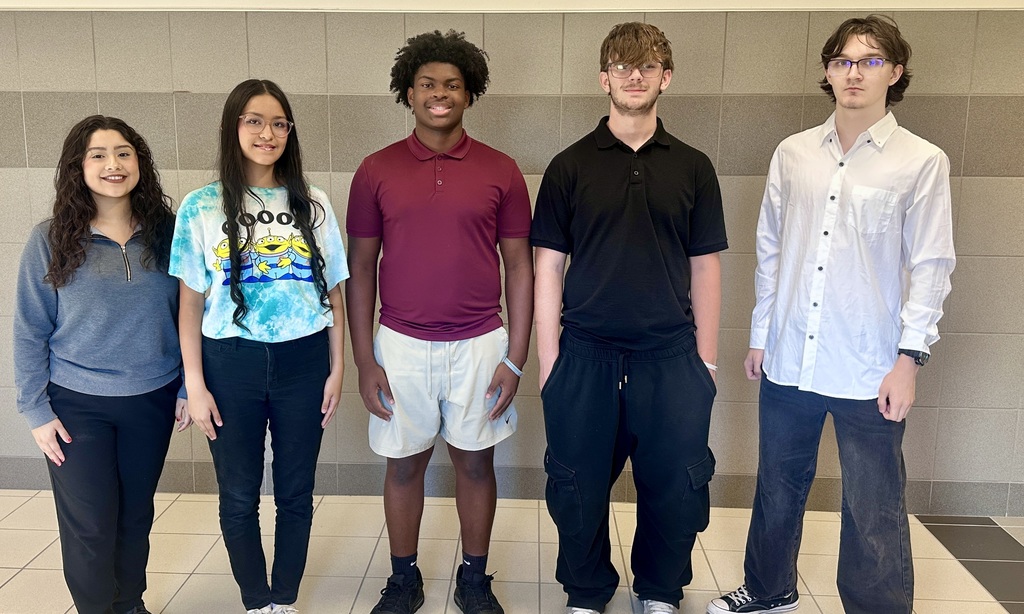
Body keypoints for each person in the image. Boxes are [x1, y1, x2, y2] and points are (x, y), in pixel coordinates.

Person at [707, 15, 955, 614]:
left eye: (870, 61)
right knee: (777, 488)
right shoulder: (793, 154)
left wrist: (908, 361)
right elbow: (772, 248)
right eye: (844, 60)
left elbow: (931, 265)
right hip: (790, 356)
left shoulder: (921, 161)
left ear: (894, 73)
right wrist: (762, 335)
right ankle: (770, 590)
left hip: (870, 367)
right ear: (827, 70)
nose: (854, 72)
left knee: (874, 505)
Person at [532, 21, 727, 614]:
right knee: (577, 490)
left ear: (665, 78)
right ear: (604, 78)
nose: (633, 74)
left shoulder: (693, 167)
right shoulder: (568, 167)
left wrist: (708, 363)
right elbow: (547, 269)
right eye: (621, 65)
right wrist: (550, 367)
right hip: (584, 357)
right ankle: (588, 592)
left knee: (675, 491)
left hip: (671, 359)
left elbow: (706, 269)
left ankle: (659, 592)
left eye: (646, 66)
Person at [346, 29, 533, 614]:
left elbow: (520, 269)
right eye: (427, 83)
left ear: (469, 94)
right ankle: (404, 579)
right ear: (407, 92)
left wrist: (515, 358)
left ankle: (474, 579)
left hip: (481, 343)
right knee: (404, 467)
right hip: (399, 343)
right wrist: (365, 360)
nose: (439, 93)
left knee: (476, 463)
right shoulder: (375, 170)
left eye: (452, 84)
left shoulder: (502, 171)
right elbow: (360, 268)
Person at [169, 79, 348, 614]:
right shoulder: (200, 207)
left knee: (296, 492)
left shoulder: (312, 203)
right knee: (239, 495)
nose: (266, 133)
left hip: (305, 360)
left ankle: (285, 600)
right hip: (229, 366)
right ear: (233, 127)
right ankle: (256, 601)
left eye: (278, 122)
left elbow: (334, 292)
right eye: (253, 120)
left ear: (290, 132)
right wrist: (194, 385)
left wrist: (339, 369)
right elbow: (190, 306)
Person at [14, 115, 188, 614]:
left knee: (135, 517)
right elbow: (29, 328)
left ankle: (130, 604)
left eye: (124, 153)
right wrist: (35, 411)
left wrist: (183, 389)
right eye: (98, 154)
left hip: (150, 399)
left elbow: (191, 317)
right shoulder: (50, 238)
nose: (114, 164)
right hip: (75, 406)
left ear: (140, 163)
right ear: (78, 166)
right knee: (91, 524)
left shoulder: (168, 235)